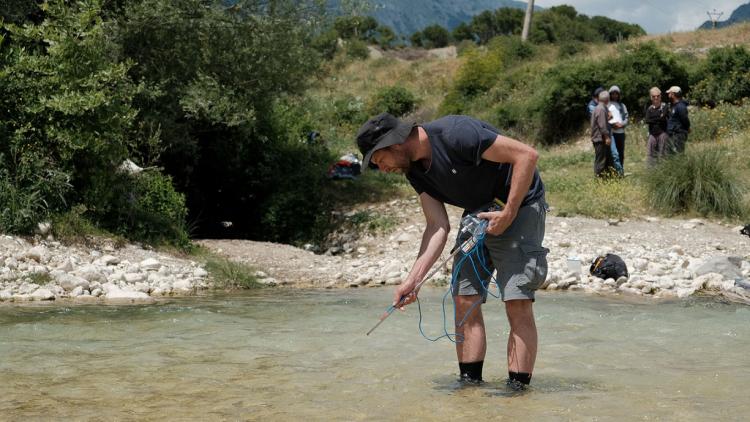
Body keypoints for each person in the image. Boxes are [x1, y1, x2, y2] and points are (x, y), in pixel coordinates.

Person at [356, 112, 548, 389]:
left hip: (520, 205)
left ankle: (516, 392)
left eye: (378, 160)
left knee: (516, 301)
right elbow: (437, 226)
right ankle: (469, 388)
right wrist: (414, 280)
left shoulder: (456, 133)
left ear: (394, 144)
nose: (382, 169)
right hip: (478, 212)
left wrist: (508, 212)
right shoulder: (414, 171)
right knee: (464, 298)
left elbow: (527, 155)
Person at [591, 90, 614, 177]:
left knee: (608, 160)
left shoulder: (600, 107)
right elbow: (602, 125)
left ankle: (609, 179)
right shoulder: (601, 109)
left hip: (601, 138)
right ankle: (598, 180)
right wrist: (607, 137)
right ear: (607, 99)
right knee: (601, 161)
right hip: (600, 139)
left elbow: (602, 121)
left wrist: (609, 117)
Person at [643, 87, 669, 165]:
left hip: (662, 133)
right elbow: (647, 120)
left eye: (658, 96)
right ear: (651, 97)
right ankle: (651, 172)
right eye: (654, 96)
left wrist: (654, 118)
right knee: (650, 154)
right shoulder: (649, 108)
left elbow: (663, 118)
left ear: (660, 96)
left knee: (662, 154)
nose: (656, 98)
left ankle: (662, 170)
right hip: (652, 134)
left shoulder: (664, 106)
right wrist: (658, 117)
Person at [608, 86, 628, 174]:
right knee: (614, 154)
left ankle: (621, 171)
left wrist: (622, 124)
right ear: (610, 94)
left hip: (621, 132)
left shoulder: (622, 105)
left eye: (616, 94)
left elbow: (626, 118)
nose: (615, 95)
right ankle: (615, 172)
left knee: (621, 153)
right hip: (612, 133)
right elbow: (605, 118)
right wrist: (612, 125)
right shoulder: (607, 105)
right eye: (613, 94)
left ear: (618, 95)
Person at [666, 86, 690, 154]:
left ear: (673, 94)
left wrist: (687, 128)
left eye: (669, 93)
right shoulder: (674, 105)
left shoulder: (680, 106)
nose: (668, 95)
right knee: (671, 155)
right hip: (673, 135)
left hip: (678, 135)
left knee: (678, 154)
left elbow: (685, 119)